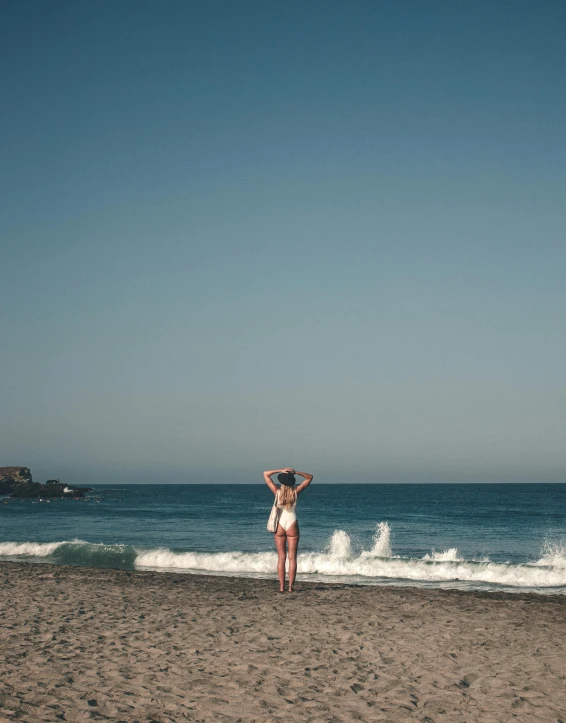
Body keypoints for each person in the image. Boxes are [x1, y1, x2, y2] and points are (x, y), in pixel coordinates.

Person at [263, 467, 313, 593]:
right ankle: (290, 587)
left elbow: (266, 474)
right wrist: (296, 472)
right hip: (292, 523)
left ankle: (281, 587)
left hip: (280, 524)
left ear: (282, 482)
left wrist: (280, 470)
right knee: (292, 558)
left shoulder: (277, 492)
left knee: (281, 558)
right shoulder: (296, 491)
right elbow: (310, 477)